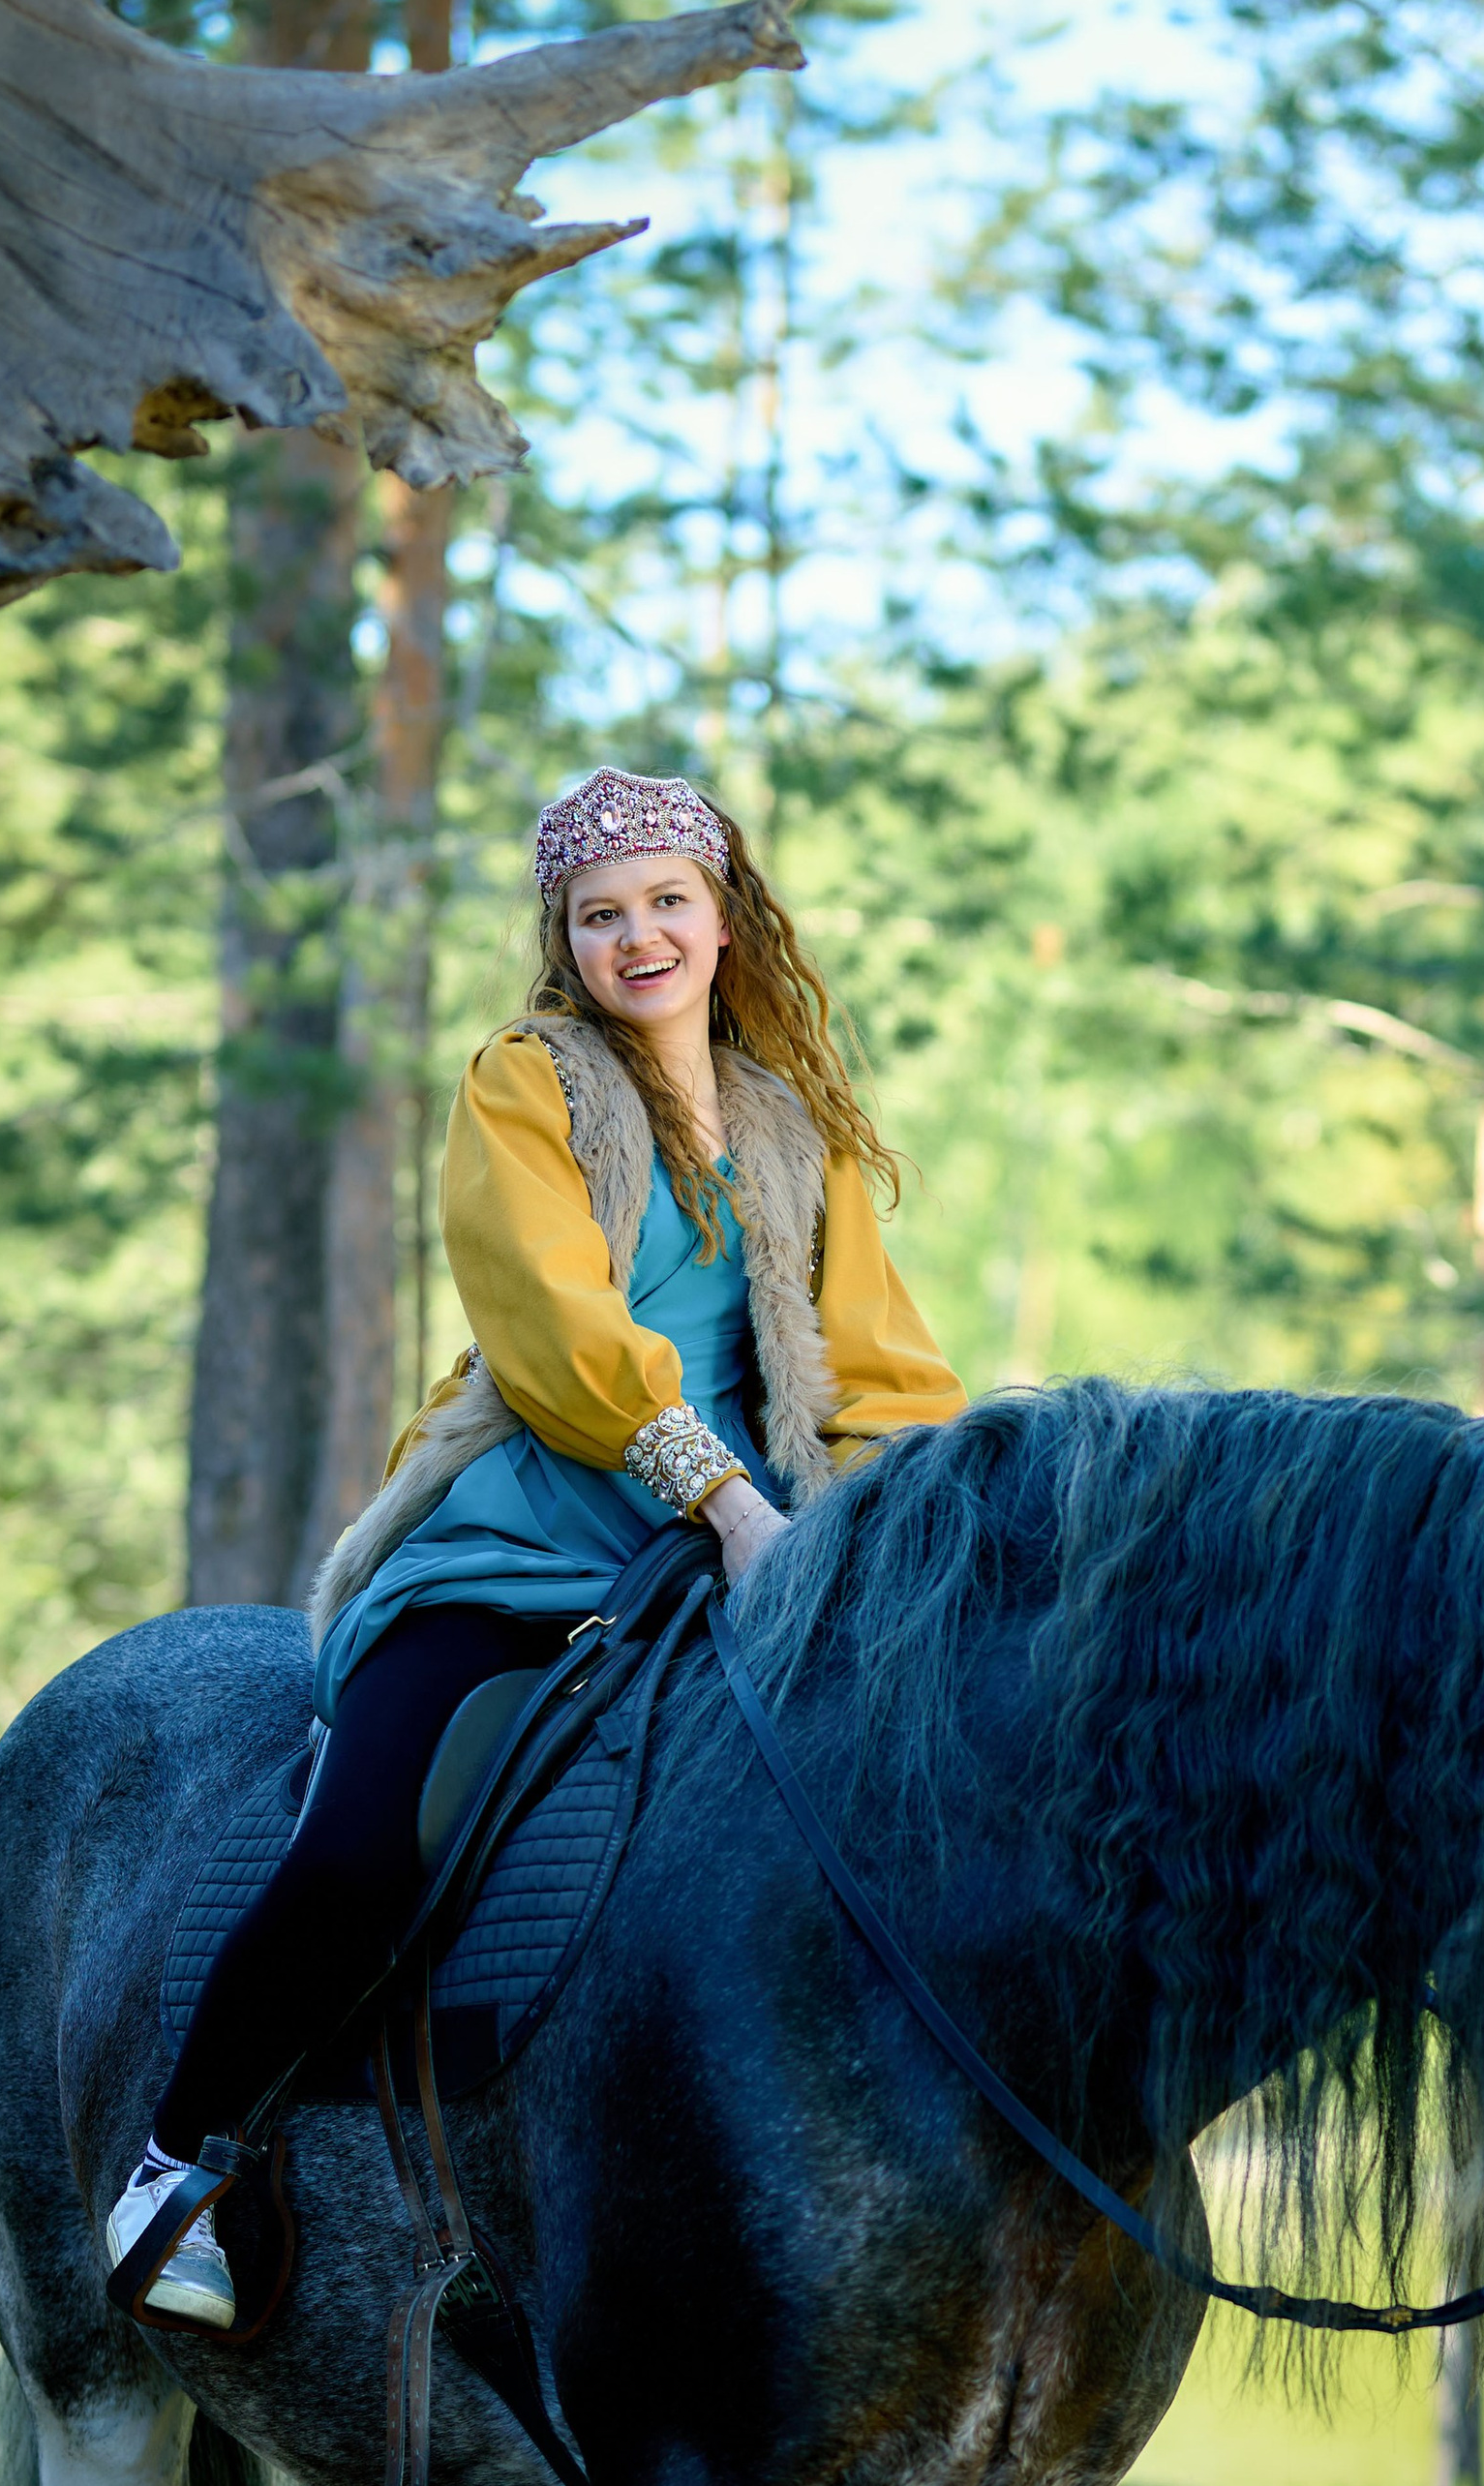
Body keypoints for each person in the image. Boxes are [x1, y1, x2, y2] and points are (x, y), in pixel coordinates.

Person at [106, 767, 967, 2325]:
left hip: (746, 1563)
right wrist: (727, 1500)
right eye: (599, 914)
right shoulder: (527, 1080)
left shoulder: (793, 1122)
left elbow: (880, 1368)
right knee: (366, 1848)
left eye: (665, 902)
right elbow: (558, 1328)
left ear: (725, 916)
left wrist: (885, 1525)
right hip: (529, 1542)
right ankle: (180, 2162)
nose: (636, 935)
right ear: (564, 941)